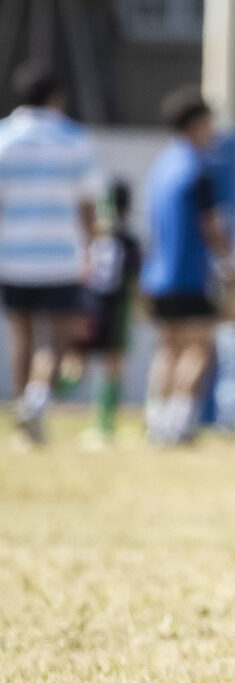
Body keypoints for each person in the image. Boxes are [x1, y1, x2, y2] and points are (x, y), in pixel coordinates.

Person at [0, 64, 102, 446]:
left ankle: (23, 414)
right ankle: (37, 402)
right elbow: (89, 208)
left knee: (21, 336)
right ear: (55, 98)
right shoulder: (74, 140)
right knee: (57, 340)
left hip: (11, 255)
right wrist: (92, 247)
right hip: (61, 256)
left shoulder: (3, 138)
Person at [140, 87, 232, 447]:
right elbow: (211, 227)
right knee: (199, 349)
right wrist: (230, 263)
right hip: (189, 274)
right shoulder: (198, 169)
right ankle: (177, 424)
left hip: (157, 274)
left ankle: (156, 420)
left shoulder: (161, 166)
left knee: (168, 349)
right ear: (197, 123)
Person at [73, 178, 140, 445]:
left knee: (80, 361)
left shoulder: (93, 237)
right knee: (111, 365)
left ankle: (40, 400)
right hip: (115, 311)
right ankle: (105, 425)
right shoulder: (128, 241)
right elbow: (134, 278)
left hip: (90, 308)